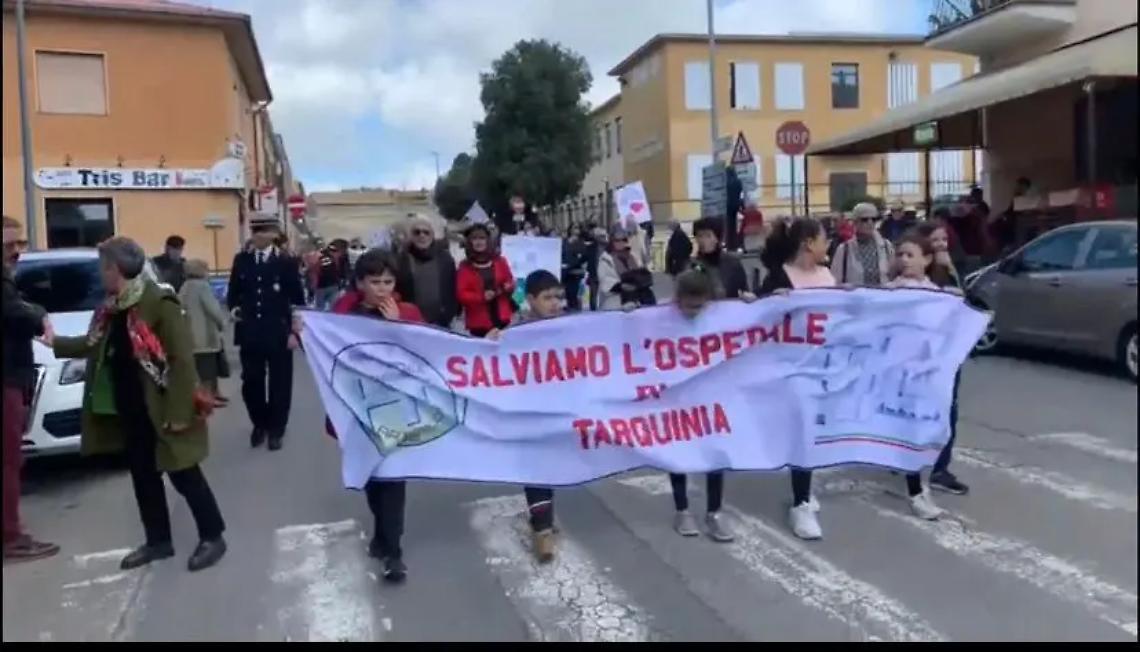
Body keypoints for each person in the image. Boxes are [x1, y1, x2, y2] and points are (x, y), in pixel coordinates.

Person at [51, 237, 227, 572]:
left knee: (184, 474)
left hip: (163, 407)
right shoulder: (111, 307)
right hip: (130, 406)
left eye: (103, 266)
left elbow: (181, 360)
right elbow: (93, 344)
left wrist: (178, 414)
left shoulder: (158, 301)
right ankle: (158, 541)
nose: (100, 273)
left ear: (114, 268)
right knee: (144, 476)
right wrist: (54, 342)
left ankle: (213, 535)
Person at [325, 249, 423, 582]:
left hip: (394, 407)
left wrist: (397, 327)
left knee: (393, 476)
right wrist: (301, 329)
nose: (382, 288)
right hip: (355, 407)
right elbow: (327, 347)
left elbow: (422, 354)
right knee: (370, 477)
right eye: (375, 281)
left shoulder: (407, 311)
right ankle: (382, 534)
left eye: (388, 281)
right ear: (360, 283)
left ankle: (393, 552)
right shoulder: (343, 311)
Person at [758, 217, 839, 540]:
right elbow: (756, 320)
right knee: (802, 431)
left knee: (814, 431)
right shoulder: (779, 278)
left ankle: (804, 483)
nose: (827, 245)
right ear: (808, 243)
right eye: (823, 239)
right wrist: (766, 303)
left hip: (824, 366)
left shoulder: (827, 275)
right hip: (789, 370)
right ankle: (801, 503)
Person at [884, 231, 970, 517]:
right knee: (910, 430)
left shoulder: (936, 292)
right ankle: (917, 493)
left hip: (931, 373)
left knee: (928, 430)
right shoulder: (891, 292)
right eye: (901, 255)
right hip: (904, 373)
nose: (905, 260)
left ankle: (926, 480)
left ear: (927, 259)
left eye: (911, 255)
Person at [485, 270, 565, 562]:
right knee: (537, 470)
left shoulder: (574, 327)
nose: (555, 303)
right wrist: (488, 343)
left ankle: (543, 519)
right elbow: (489, 363)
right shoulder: (514, 333)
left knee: (552, 469)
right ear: (530, 300)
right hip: (529, 414)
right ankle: (543, 530)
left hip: (560, 412)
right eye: (547, 298)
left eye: (558, 297)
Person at [665, 266, 739, 543]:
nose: (694, 311)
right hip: (677, 396)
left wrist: (757, 304)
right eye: (688, 306)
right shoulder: (661, 318)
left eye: (699, 306)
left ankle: (714, 512)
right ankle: (682, 509)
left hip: (710, 397)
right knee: (677, 452)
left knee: (715, 453)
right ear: (677, 299)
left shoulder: (722, 315)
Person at [3, 215, 60, 563]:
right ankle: (11, 537)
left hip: (12, 377)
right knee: (8, 460)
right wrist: (40, 316)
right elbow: (16, 313)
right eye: (7, 246)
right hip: (6, 379)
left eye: (17, 245)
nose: (15, 253)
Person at [226, 217, 305, 451]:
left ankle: (276, 429)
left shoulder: (286, 262)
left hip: (278, 332)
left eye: (263, 231)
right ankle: (259, 423)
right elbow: (233, 292)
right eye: (255, 230)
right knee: (251, 382)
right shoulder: (242, 260)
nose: (257, 235)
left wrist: (295, 332)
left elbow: (297, 300)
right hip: (250, 332)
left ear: (273, 234)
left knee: (280, 383)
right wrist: (234, 309)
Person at [912, 222, 969, 496]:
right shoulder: (916, 276)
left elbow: (963, 303)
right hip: (922, 353)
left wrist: (951, 270)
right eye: (935, 240)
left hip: (949, 351)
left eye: (944, 238)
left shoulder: (950, 269)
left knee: (949, 408)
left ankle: (940, 468)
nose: (942, 244)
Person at [179, 259, 229, 406]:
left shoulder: (185, 286)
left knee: (201, 368)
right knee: (208, 368)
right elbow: (212, 308)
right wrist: (222, 323)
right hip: (206, 333)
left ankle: (212, 394)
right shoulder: (202, 287)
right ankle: (209, 398)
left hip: (191, 334)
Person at [394, 216, 459, 329]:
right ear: (411, 236)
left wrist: (450, 312)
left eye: (426, 232)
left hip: (442, 321)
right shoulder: (401, 259)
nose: (421, 235)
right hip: (411, 322)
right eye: (417, 232)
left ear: (432, 235)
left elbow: (452, 287)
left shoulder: (445, 258)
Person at [456, 223, 515, 338]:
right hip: (479, 323)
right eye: (475, 238)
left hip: (502, 317)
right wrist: (481, 297)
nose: (479, 242)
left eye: (482, 238)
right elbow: (461, 294)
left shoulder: (500, 261)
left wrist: (507, 287)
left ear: (488, 240)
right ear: (470, 242)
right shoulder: (465, 267)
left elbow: (510, 281)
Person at [831, 202, 893, 287]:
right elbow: (835, 281)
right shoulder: (844, 249)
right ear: (855, 222)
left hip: (882, 298)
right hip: (855, 298)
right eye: (865, 219)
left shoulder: (886, 246)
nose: (870, 222)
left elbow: (894, 275)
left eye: (874, 219)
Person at [690, 217, 752, 300]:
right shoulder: (694, 265)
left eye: (708, 235)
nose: (702, 240)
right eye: (699, 236)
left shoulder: (732, 263)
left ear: (717, 238)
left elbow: (744, 290)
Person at [597, 224, 655, 310]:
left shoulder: (632, 256)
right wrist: (621, 285)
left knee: (648, 296)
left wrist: (642, 280)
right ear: (612, 241)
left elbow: (641, 270)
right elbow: (605, 281)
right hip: (615, 299)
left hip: (637, 297)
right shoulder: (606, 259)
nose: (621, 243)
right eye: (617, 240)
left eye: (624, 240)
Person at [312, 240, 348, 311]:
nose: (340, 254)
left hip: (327, 286)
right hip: (324, 286)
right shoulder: (326, 258)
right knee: (326, 307)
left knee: (323, 307)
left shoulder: (337, 258)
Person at [561, 228, 588, 312]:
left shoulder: (580, 242)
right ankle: (570, 308)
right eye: (574, 228)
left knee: (574, 294)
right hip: (565, 272)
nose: (576, 230)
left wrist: (574, 262)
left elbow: (583, 256)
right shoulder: (564, 242)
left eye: (577, 228)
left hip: (576, 272)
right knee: (567, 293)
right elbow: (562, 254)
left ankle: (575, 309)